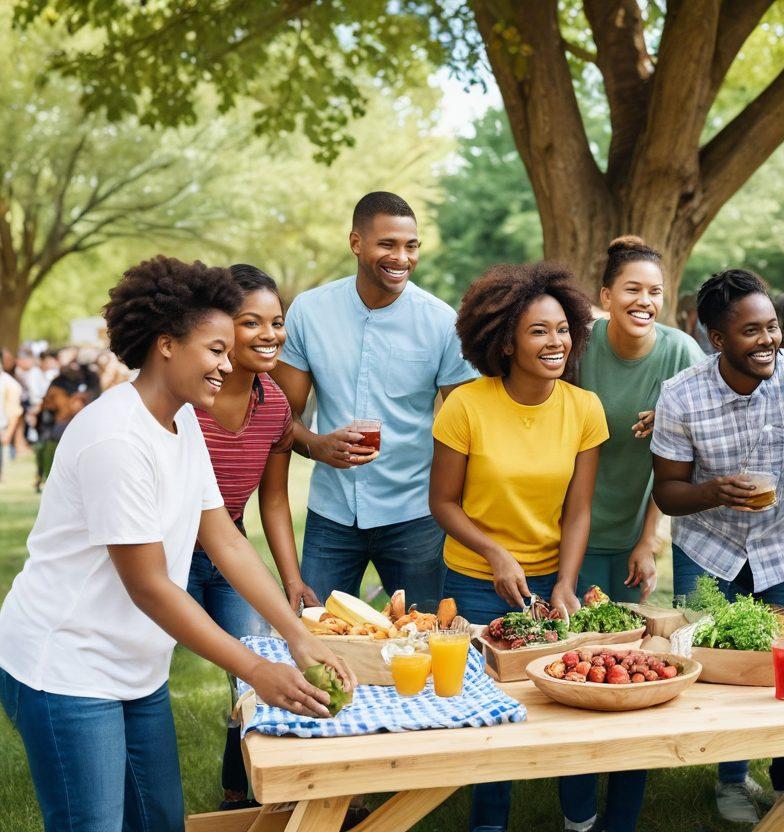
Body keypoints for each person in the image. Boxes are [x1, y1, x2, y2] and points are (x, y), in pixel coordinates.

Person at [0, 256, 352, 832]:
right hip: (63, 669)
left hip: (135, 668)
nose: (226, 363)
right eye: (214, 349)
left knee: (160, 821)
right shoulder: (115, 438)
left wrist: (295, 637)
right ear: (166, 344)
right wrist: (257, 670)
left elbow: (227, 542)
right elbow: (152, 588)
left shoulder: (184, 420)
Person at [652, 270, 784, 829]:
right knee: (716, 668)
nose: (768, 340)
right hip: (707, 547)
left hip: (783, 546)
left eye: (772, 327)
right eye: (751, 331)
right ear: (717, 339)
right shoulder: (681, 394)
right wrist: (711, 491)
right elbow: (668, 494)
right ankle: (729, 775)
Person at [429, 262, 609, 832]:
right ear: (505, 340)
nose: (555, 342)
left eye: (561, 329)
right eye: (538, 331)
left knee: (570, 697)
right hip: (473, 584)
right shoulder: (465, 406)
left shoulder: (584, 409)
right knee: (487, 714)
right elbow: (444, 503)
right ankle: (489, 824)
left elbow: (578, 511)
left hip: (552, 584)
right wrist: (495, 554)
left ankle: (579, 820)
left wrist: (563, 581)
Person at [273, 192, 477, 611]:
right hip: (331, 513)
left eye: (411, 245)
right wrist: (316, 446)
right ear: (356, 243)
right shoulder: (309, 313)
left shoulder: (441, 322)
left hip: (415, 514)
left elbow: (466, 427)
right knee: (317, 634)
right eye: (387, 244)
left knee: (427, 640)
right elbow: (281, 419)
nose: (401, 257)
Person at [190, 264, 319, 810]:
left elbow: (272, 498)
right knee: (140, 672)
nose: (270, 334)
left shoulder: (274, 406)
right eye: (252, 322)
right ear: (221, 327)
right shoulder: (187, 401)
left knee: (251, 674)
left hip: (229, 551)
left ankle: (240, 795)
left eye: (277, 321)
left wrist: (290, 579)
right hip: (161, 554)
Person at [575, 236, 703, 603]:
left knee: (627, 645)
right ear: (606, 297)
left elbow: (697, 442)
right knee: (576, 644)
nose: (645, 301)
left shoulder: (680, 352)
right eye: (632, 289)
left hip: (637, 529)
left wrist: (649, 541)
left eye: (655, 291)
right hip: (572, 530)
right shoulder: (578, 346)